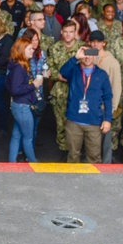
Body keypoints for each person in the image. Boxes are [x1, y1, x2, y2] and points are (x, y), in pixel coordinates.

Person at [61, 45, 113, 164]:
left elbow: (108, 98)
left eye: (90, 53)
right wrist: (75, 57)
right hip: (74, 121)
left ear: (95, 55)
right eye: (85, 53)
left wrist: (108, 120)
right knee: (73, 155)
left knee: (94, 158)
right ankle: (72, 182)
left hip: (94, 122)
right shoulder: (74, 70)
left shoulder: (102, 74)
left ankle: (92, 183)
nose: (87, 57)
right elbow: (63, 72)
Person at [47, 21, 83, 153]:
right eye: (65, 32)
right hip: (60, 91)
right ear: (61, 32)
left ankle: (77, 151)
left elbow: (91, 66)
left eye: (71, 32)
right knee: (61, 123)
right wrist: (58, 76)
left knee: (79, 124)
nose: (68, 35)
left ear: (75, 33)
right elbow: (49, 68)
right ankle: (63, 150)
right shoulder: (54, 48)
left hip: (79, 91)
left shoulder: (83, 47)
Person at [6, 35, 40, 163]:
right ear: (22, 50)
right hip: (22, 106)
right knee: (28, 138)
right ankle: (33, 163)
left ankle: (12, 163)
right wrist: (34, 85)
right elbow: (16, 89)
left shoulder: (16, 65)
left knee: (16, 135)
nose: (33, 50)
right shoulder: (20, 68)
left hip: (17, 105)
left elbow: (8, 84)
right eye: (30, 48)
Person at [89, 31, 122, 164]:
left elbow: (116, 86)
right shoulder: (89, 56)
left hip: (104, 106)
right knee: (91, 137)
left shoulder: (112, 62)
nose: (95, 44)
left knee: (106, 138)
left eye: (98, 41)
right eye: (93, 41)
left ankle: (106, 163)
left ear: (104, 43)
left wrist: (112, 108)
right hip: (90, 105)